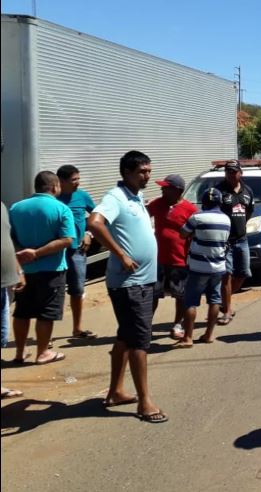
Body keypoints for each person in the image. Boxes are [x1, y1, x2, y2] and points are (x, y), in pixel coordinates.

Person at [87, 150, 167, 423]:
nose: (148, 175)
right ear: (127, 173)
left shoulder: (136, 195)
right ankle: (144, 401)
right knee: (139, 342)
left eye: (148, 170)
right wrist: (120, 254)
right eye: (142, 171)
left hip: (145, 280)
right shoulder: (116, 197)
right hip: (130, 284)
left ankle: (115, 392)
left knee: (126, 336)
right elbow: (94, 223)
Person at [9, 171, 75, 365]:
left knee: (22, 311)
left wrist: (23, 252)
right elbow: (67, 240)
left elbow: (8, 237)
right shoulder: (61, 208)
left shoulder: (15, 208)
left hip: (23, 270)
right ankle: (43, 352)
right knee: (46, 312)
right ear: (55, 186)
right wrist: (36, 253)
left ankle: (20, 353)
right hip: (52, 269)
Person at [174, 188, 231, 347]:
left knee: (190, 301)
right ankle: (209, 335)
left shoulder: (197, 217)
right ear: (219, 202)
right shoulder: (226, 219)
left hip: (198, 267)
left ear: (204, 202)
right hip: (218, 267)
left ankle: (188, 338)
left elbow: (183, 234)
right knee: (214, 300)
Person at [147, 174, 197, 339]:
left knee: (180, 296)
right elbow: (142, 217)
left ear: (178, 191)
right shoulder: (157, 204)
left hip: (180, 261)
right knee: (153, 295)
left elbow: (197, 233)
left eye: (165, 187)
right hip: (157, 260)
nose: (162, 189)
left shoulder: (190, 210)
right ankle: (146, 326)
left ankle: (177, 324)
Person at [56, 165, 98, 339]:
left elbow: (97, 217)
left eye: (78, 179)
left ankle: (77, 328)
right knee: (54, 293)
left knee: (77, 290)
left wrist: (89, 233)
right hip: (57, 252)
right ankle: (47, 335)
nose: (77, 183)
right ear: (61, 181)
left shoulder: (82, 196)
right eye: (74, 180)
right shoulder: (54, 199)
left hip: (78, 252)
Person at [216, 160, 254, 325]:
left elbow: (249, 210)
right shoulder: (218, 191)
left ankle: (222, 300)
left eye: (234, 171)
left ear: (240, 173)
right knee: (226, 275)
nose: (231, 174)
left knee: (243, 274)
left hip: (242, 239)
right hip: (225, 241)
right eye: (228, 171)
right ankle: (227, 311)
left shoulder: (247, 191)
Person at [2, 202, 26, 399]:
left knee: (2, 336)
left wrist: (19, 270)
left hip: (5, 283)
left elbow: (7, 242)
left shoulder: (1, 206)